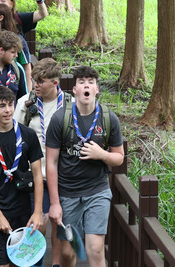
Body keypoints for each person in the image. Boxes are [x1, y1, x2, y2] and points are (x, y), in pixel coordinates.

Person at [46, 66, 125, 267]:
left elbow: (119, 158)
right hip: (68, 193)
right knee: (67, 252)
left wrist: (102, 154)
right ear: (74, 90)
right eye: (82, 82)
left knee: (95, 249)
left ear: (97, 89)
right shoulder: (59, 119)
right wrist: (54, 203)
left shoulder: (108, 119)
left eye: (91, 82)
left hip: (97, 191)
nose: (86, 86)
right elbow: (51, 163)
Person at [0, 85, 44, 267]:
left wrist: (37, 212)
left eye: (11, 105)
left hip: (24, 209)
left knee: (26, 262)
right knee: (0, 263)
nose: (8, 110)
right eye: (2, 106)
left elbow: (37, 175)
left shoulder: (28, 135)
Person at [15, 58, 71, 267]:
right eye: (34, 80)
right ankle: (35, 262)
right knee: (38, 222)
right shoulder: (25, 103)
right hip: (35, 174)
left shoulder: (69, 104)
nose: (36, 85)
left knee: (58, 222)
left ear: (55, 83)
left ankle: (55, 264)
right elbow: (15, 135)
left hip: (62, 173)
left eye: (41, 81)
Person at [0, 3, 33, 91]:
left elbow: (26, 67)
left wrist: (28, 94)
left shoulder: (18, 40)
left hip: (12, 85)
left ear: (1, 17)